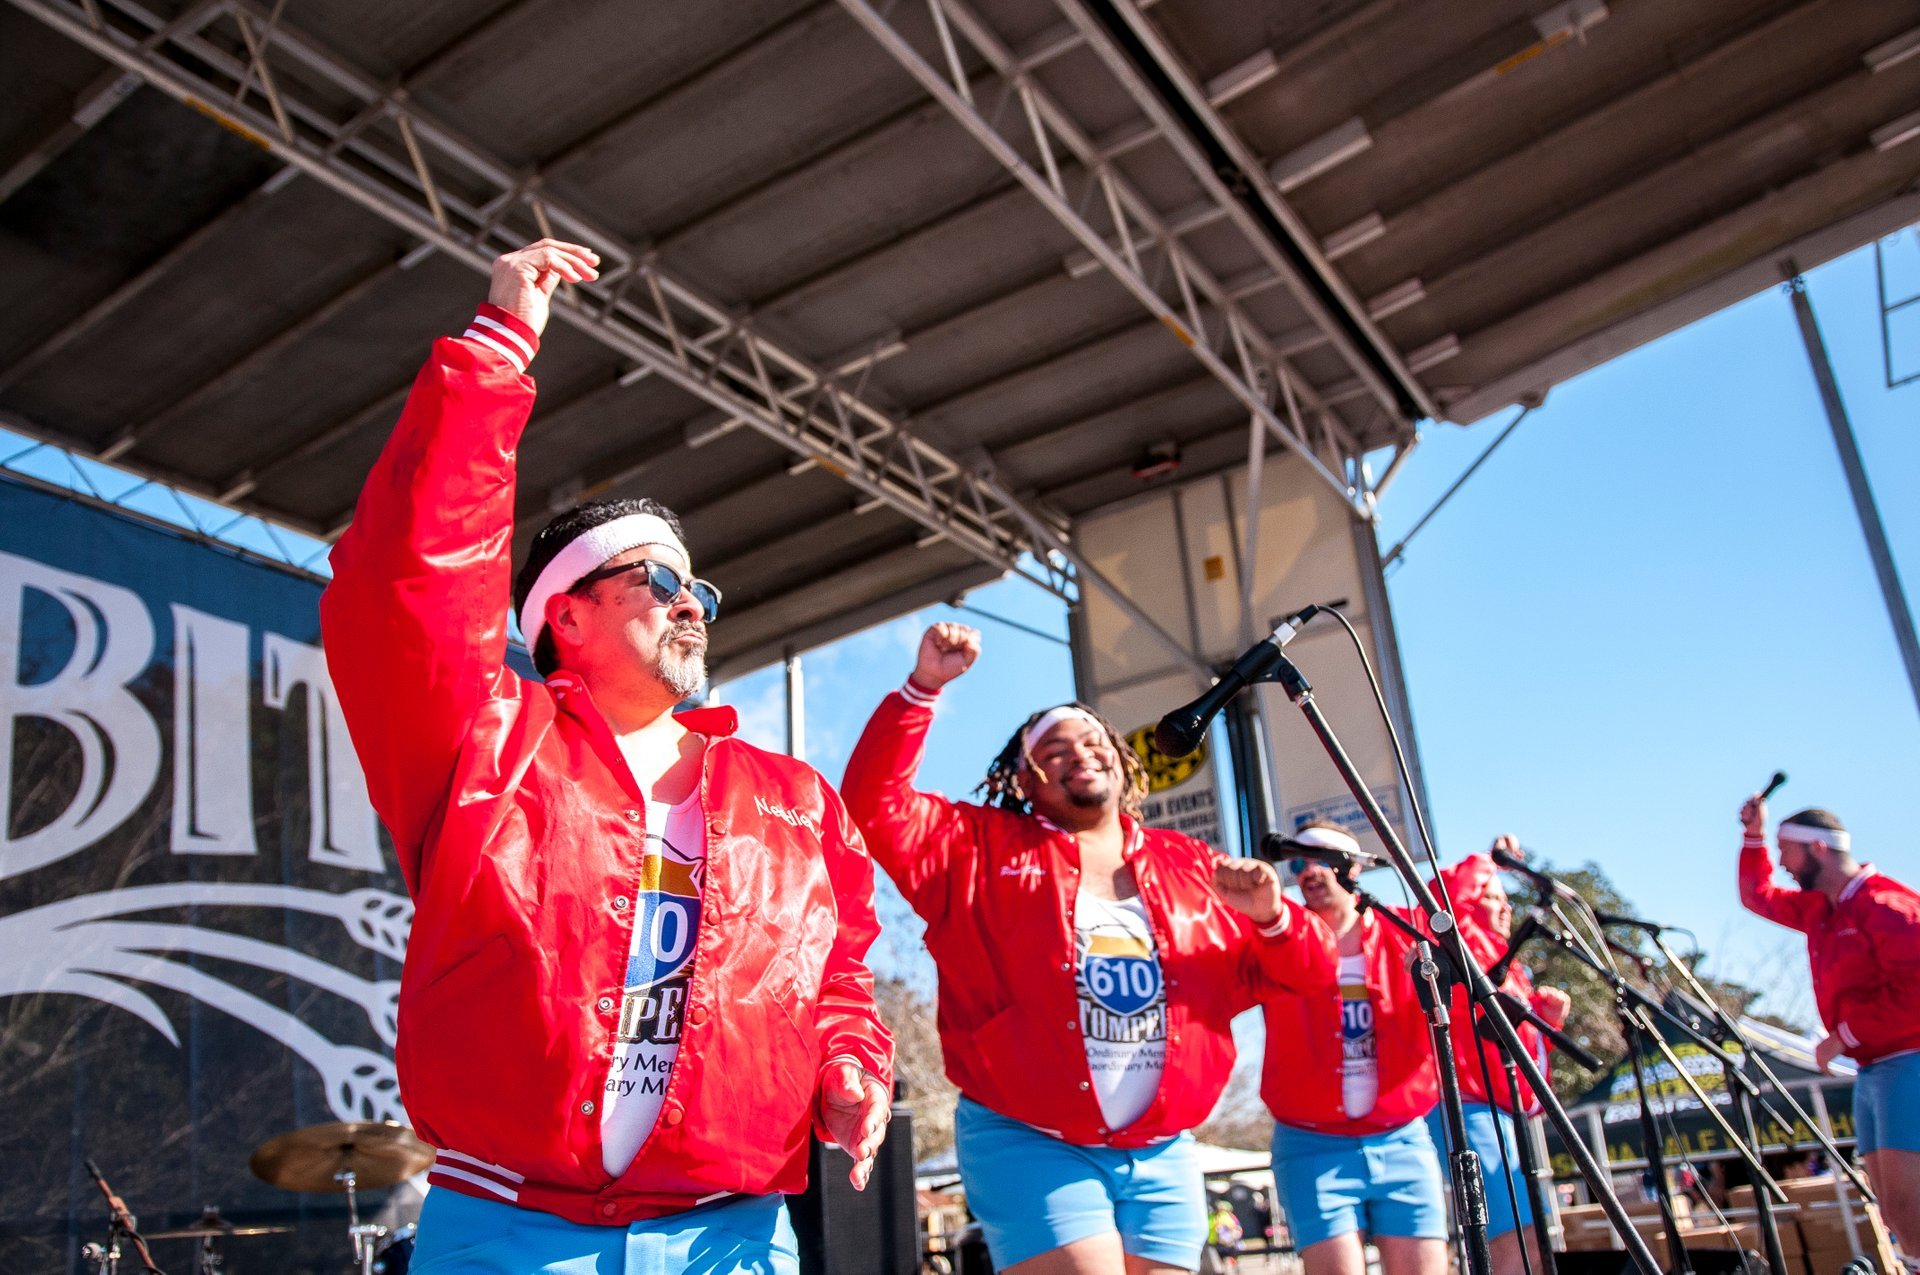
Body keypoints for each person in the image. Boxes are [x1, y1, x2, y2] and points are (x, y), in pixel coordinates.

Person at [321, 239, 893, 1274]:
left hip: (735, 1232)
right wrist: (498, 349)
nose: (692, 602)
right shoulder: (486, 744)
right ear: (566, 618)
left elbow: (841, 966)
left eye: (700, 592)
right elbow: (409, 580)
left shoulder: (793, 799)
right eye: (656, 579)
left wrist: (850, 1062)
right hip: (510, 1230)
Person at [841, 623, 1335, 1275]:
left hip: (1164, 1150)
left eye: (1092, 737)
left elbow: (1311, 970)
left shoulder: (1192, 864)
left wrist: (1273, 917)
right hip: (1028, 1137)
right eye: (1054, 745)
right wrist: (922, 688)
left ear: (1121, 759)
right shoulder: (974, 846)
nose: (1079, 750)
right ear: (1022, 776)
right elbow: (873, 806)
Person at [1738, 796, 1920, 1267]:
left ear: (1817, 848)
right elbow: (1759, 895)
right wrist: (1753, 837)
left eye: (1784, 851)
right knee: (1896, 1214)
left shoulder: (1888, 906)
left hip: (1909, 1062)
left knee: (1911, 1208)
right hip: (1875, 1070)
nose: (1780, 863)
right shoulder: (1824, 909)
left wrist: (1845, 1034)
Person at [1261, 823, 1446, 1275]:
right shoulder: (1277, 939)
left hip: (1402, 1133)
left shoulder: (1401, 931)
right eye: (1298, 860)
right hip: (1311, 1143)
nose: (1307, 871)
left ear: (1356, 865)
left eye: (1322, 857)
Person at [1426, 837, 1572, 1275]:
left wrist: (1549, 1021)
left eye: (1507, 900)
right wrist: (1489, 861)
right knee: (1515, 1239)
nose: (1506, 907)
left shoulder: (1512, 966)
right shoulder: (1463, 947)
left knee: (1533, 1238)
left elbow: (1519, 1053)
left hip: (1511, 1115)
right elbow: (1442, 894)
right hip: (1474, 1109)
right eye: (1492, 898)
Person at [1208, 1200, 1244, 1275]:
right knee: (1220, 1265)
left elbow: (1237, 1230)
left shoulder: (1227, 1217)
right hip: (1215, 1244)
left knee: (1227, 1263)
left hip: (1226, 1244)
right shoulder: (1213, 1217)